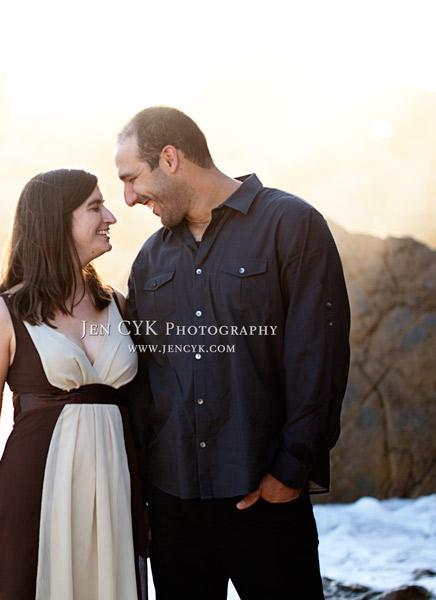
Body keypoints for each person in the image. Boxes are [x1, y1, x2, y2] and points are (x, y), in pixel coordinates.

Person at [114, 106, 351, 599]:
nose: (129, 198)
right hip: (173, 507)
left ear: (171, 159)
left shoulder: (292, 225)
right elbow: (143, 383)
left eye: (132, 178)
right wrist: (142, 497)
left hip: (265, 499)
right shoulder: (149, 260)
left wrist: (290, 470)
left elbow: (319, 358)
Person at [0, 168, 149, 600]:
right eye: (95, 207)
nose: (111, 217)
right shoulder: (1, 316)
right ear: (57, 220)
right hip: (32, 502)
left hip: (115, 499)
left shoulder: (118, 305)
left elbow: (143, 411)